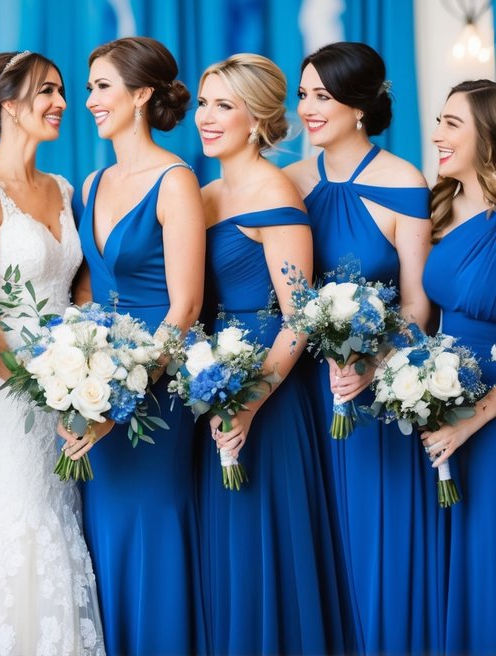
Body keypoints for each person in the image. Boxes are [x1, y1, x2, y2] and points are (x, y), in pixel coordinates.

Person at [285, 41, 441, 656]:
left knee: (377, 547)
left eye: (322, 96)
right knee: (313, 550)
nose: (308, 109)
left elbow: (417, 304)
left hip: (375, 393)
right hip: (299, 393)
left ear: (359, 105)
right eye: (303, 95)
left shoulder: (404, 181)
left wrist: (369, 363)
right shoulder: (290, 183)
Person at [195, 53, 347, 655]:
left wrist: (251, 402)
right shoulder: (203, 194)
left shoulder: (275, 194)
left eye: (224, 106)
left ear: (258, 118)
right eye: (205, 103)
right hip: (211, 380)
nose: (207, 117)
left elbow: (300, 316)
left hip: (269, 392)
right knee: (225, 547)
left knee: (264, 539)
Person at [0, 50, 104, 656]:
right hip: (6, 388)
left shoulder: (63, 188)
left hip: (73, 379)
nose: (62, 103)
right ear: (9, 104)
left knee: (63, 516)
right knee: (20, 520)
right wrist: (37, 386)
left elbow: (81, 288)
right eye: (46, 91)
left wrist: (88, 363)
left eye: (62, 91)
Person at [71, 36, 206, 656]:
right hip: (93, 384)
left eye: (102, 86)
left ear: (142, 93)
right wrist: (70, 373)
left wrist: (118, 399)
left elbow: (185, 308)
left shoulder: (176, 181)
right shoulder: (92, 182)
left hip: (154, 392)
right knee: (101, 536)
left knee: (151, 530)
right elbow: (81, 294)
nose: (89, 99)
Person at [423, 79, 496, 655]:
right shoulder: (439, 205)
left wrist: (472, 419)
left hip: (486, 413)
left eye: (452, 124)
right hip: (441, 398)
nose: (437, 134)